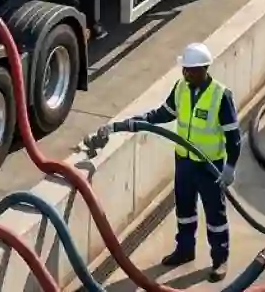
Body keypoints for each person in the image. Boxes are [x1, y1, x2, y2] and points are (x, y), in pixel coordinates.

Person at [94, 42, 241, 283]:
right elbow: (164, 113)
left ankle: (220, 259)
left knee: (215, 215)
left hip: (210, 167)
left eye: (190, 70)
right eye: (184, 69)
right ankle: (184, 250)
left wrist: (230, 167)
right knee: (184, 210)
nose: (185, 73)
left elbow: (233, 136)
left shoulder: (221, 95)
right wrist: (136, 121)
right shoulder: (181, 88)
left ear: (203, 69)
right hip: (184, 163)